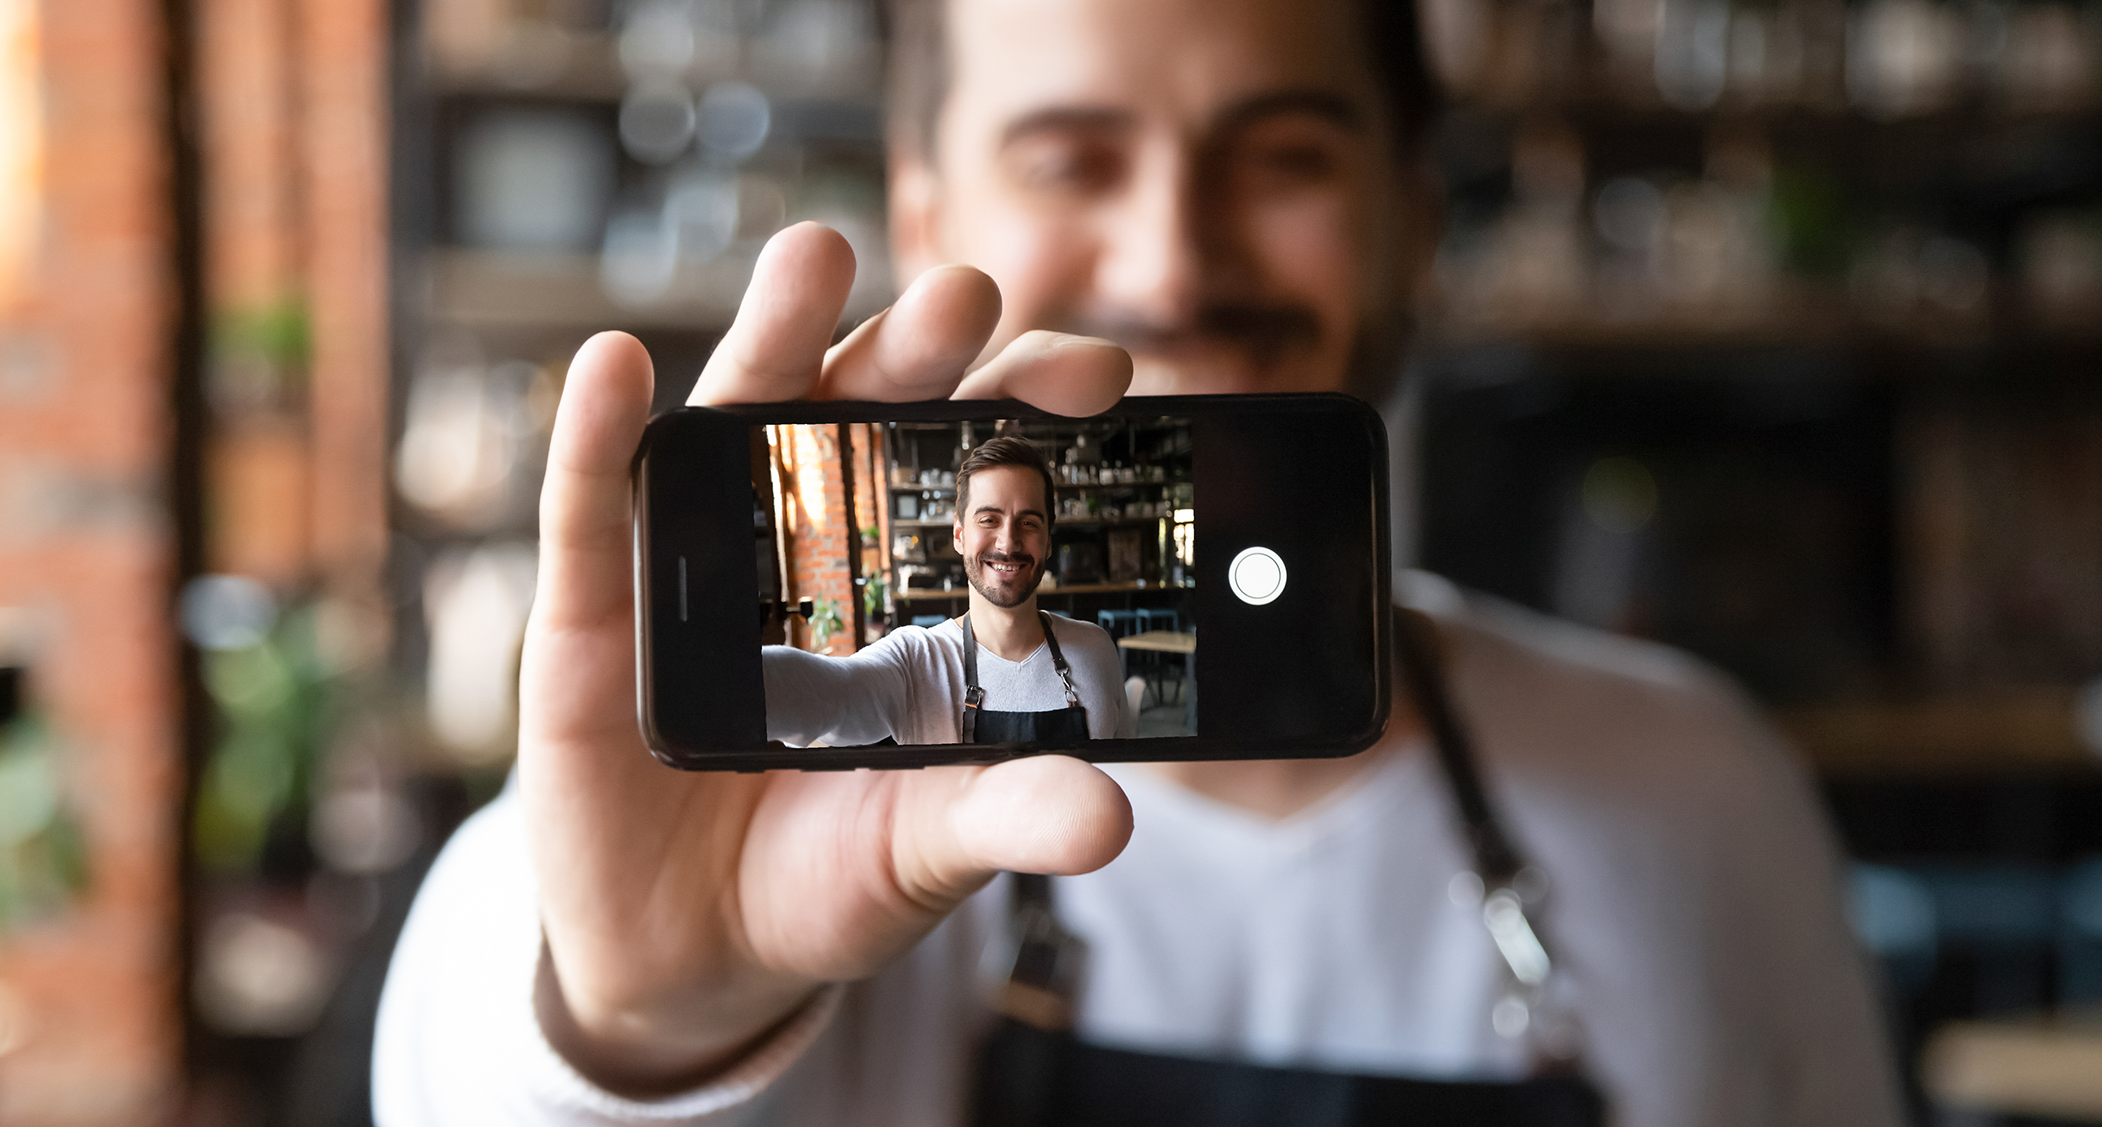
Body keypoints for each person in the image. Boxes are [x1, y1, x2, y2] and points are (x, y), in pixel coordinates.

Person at [374, 0, 1906, 1123]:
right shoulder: (719, 815)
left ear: (1413, 217)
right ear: (922, 209)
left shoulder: (1701, 789)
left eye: (1284, 156)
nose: (1175, 259)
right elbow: (465, 1060)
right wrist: (636, 1026)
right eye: (1070, 159)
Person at [764, 436, 1127, 748]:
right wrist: (739, 678)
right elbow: (829, 692)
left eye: (1028, 523)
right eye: (988, 520)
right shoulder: (916, 661)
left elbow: (1128, 781)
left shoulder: (1096, 650)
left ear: (1048, 542)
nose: (1008, 542)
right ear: (959, 535)